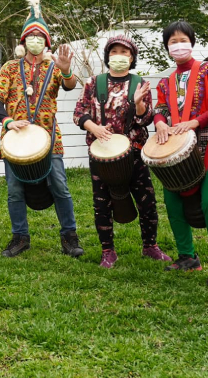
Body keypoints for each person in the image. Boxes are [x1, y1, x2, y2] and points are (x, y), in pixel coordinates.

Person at [0, 0, 83, 258]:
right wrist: (7, 122)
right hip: (15, 141)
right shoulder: (9, 67)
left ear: (47, 42)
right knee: (14, 191)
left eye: (39, 37)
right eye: (30, 36)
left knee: (60, 188)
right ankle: (20, 237)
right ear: (23, 41)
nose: (34, 40)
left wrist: (66, 71)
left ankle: (69, 237)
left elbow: (69, 85)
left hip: (49, 139)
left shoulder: (55, 67)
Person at [74, 34, 167, 268]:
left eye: (125, 52)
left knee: (147, 201)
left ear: (132, 57)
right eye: (114, 51)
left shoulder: (139, 83)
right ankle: (108, 251)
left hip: (134, 152)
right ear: (108, 56)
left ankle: (150, 246)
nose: (119, 56)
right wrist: (94, 127)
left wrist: (138, 103)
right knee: (101, 203)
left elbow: (146, 120)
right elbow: (79, 113)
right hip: (102, 154)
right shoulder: (94, 82)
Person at [153, 21, 208, 286]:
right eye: (172, 41)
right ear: (167, 48)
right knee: (172, 203)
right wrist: (160, 122)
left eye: (182, 39)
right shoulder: (166, 81)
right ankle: (187, 256)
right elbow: (160, 107)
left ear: (192, 42)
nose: (178, 45)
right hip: (177, 150)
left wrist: (196, 122)